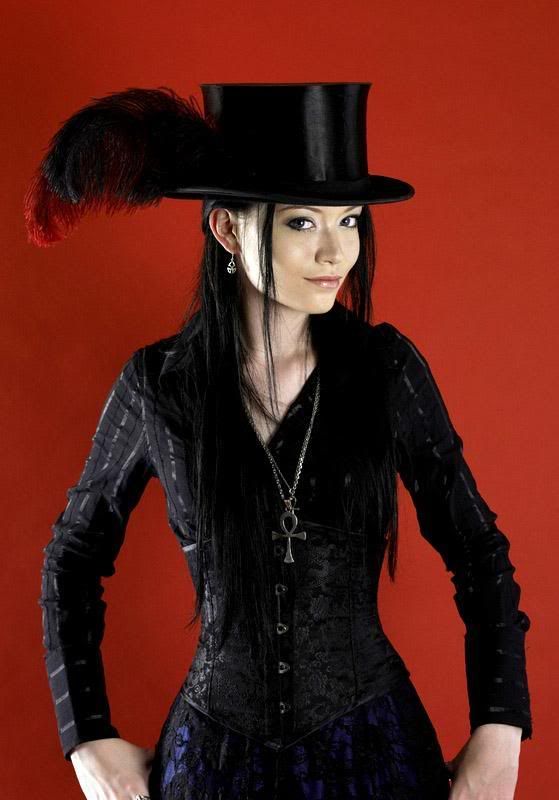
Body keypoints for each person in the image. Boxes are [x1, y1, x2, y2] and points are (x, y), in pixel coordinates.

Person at [26, 83, 532, 800]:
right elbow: (73, 557)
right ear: (227, 231)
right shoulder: (159, 385)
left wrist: (499, 729)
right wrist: (85, 736)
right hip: (211, 763)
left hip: (377, 755)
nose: (336, 251)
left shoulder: (384, 370)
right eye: (302, 223)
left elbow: (477, 549)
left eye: (349, 221)